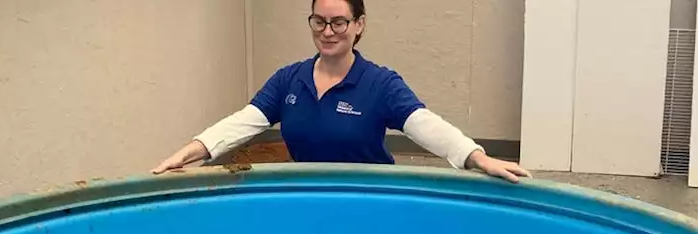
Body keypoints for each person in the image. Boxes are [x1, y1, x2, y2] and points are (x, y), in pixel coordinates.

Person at [152, 0, 532, 183]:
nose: (327, 31)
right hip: (310, 194)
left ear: (359, 25)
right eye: (319, 21)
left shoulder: (380, 83)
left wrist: (478, 157)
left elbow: (426, 126)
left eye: (338, 22)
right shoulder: (289, 79)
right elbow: (242, 124)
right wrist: (186, 153)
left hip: (371, 198)